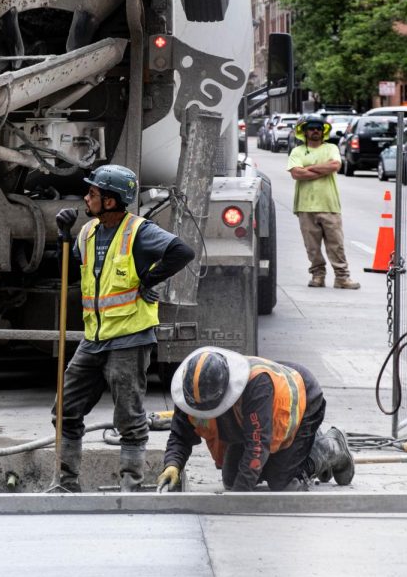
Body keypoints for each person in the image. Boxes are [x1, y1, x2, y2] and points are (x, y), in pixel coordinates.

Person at [53, 164, 196, 492]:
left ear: (110, 201)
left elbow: (182, 251)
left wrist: (150, 278)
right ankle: (66, 482)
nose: (86, 197)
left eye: (93, 193)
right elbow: (78, 263)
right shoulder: (88, 232)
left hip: (129, 338)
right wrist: (63, 234)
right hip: (94, 339)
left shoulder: (139, 232)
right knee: (65, 409)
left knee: (129, 418)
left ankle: (131, 485)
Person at [156, 346, 355, 492]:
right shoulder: (193, 391)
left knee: (281, 481)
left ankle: (330, 446)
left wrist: (239, 500)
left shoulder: (256, 386)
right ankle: (298, 450)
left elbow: (258, 445)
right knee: (231, 479)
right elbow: (180, 435)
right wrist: (173, 465)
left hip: (304, 399)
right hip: (256, 421)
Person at [287, 115, 360, 289]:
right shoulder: (297, 151)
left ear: (323, 132)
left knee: (336, 244)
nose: (315, 131)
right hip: (305, 206)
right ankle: (317, 276)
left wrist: (308, 169)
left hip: (329, 204)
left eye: (318, 128)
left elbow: (335, 165)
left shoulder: (331, 148)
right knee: (312, 246)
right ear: (304, 131)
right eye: (311, 128)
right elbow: (296, 173)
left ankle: (342, 278)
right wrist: (321, 170)